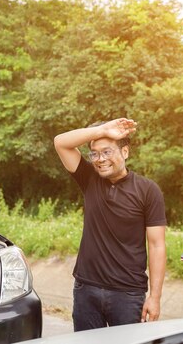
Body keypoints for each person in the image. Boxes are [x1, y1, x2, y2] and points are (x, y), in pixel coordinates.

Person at [54, 118, 167, 331]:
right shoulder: (88, 178)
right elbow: (61, 142)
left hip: (128, 294)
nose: (100, 159)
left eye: (107, 152)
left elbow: (157, 245)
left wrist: (155, 297)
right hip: (86, 289)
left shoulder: (148, 190)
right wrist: (101, 130)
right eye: (94, 153)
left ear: (125, 152)